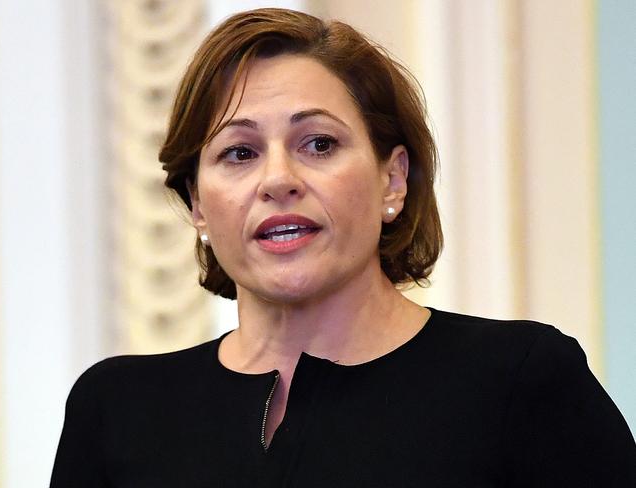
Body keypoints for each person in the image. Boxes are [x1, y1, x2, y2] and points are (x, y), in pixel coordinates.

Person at [50, 8, 636, 487]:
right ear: (197, 203)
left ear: (393, 179)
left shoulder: (520, 383)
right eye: (240, 153)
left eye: (319, 143)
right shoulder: (115, 411)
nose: (278, 179)